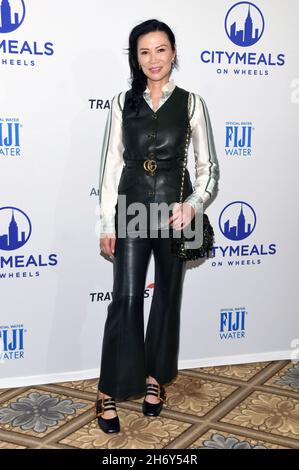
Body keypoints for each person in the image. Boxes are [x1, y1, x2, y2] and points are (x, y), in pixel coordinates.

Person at [96, 19, 219, 433]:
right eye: (144, 51)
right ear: (136, 57)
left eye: (161, 49)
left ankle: (154, 380)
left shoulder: (191, 103)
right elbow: (111, 166)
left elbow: (208, 167)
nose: (153, 59)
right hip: (130, 207)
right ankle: (108, 388)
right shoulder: (121, 103)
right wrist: (105, 222)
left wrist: (193, 204)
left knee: (166, 299)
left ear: (173, 52)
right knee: (127, 299)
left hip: (173, 212)